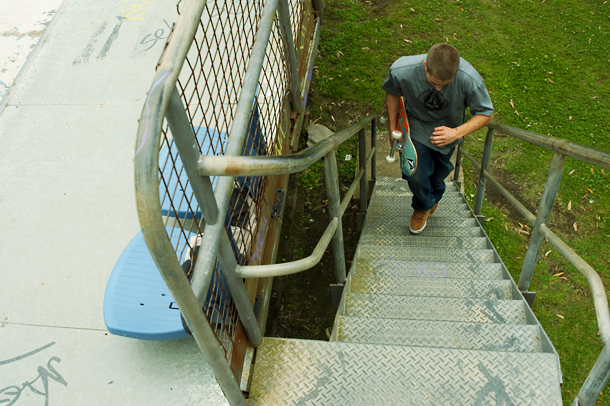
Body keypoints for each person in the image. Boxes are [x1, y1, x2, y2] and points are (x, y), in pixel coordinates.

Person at [382, 43, 494, 234]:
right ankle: (423, 206)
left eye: (445, 83)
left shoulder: (470, 79)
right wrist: (393, 127)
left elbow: (486, 114)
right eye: (434, 82)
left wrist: (456, 133)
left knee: (439, 171)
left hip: (449, 130)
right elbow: (393, 93)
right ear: (425, 65)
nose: (439, 88)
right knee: (414, 173)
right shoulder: (402, 69)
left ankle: (434, 194)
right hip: (417, 125)